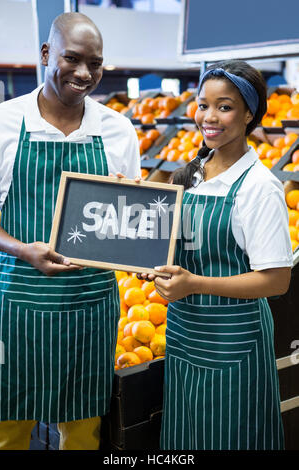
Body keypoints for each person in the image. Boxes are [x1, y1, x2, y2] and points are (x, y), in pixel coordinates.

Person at [0, 12, 140, 450]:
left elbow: (131, 224)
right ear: (46, 54)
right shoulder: (4, 125)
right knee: (8, 426)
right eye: (72, 59)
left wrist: (132, 219)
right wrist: (23, 250)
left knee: (83, 430)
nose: (84, 73)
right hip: (19, 305)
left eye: (95, 64)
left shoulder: (118, 131)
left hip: (90, 308)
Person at [141, 60, 293, 450]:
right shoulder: (190, 174)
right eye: (202, 104)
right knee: (185, 437)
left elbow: (277, 280)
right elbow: (177, 247)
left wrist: (195, 284)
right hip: (184, 336)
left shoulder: (260, 187)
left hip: (233, 344)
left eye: (224, 107)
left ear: (248, 114)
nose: (209, 117)